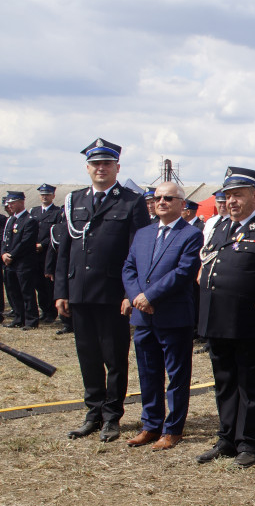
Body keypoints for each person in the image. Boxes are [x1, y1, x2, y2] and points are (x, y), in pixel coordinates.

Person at [57, 138, 150, 442]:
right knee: (87, 355)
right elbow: (64, 251)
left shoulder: (131, 201)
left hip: (113, 295)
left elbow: (137, 251)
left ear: (117, 168)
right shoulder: (74, 201)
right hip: (80, 292)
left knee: (114, 356)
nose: (101, 168)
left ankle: (112, 415)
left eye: (107, 164)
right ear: (87, 168)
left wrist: (130, 291)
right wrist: (61, 290)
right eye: (96, 164)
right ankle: (92, 412)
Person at [195, 167, 255, 468]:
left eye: (238, 195)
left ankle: (249, 442)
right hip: (219, 321)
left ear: (254, 196)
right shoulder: (220, 228)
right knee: (224, 383)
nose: (231, 201)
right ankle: (226, 438)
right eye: (228, 195)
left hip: (252, 324)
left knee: (252, 386)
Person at [122, 182, 203, 451]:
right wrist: (137, 297)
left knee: (177, 375)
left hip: (173, 316)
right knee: (148, 373)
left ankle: (173, 429)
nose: (161, 202)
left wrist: (151, 297)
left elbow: (183, 272)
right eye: (157, 198)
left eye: (169, 198)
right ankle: (150, 424)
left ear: (182, 203)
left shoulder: (191, 235)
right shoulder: (143, 234)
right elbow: (129, 268)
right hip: (144, 318)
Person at [2, 191, 41, 330]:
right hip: (10, 263)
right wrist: (3, 254)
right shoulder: (11, 220)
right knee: (13, 291)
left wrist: (11, 255)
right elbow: (5, 240)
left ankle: (31, 320)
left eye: (12, 203)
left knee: (26, 292)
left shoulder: (29, 220)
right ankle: (19, 318)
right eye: (8, 203)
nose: (9, 206)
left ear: (21, 202)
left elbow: (25, 243)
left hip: (23, 263)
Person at [30, 184, 61, 324]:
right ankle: (44, 310)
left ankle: (51, 312)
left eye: (47, 194)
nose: (44, 197)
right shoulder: (34, 211)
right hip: (34, 255)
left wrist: (43, 244)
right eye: (42, 194)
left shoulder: (57, 212)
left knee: (48, 284)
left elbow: (56, 233)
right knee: (38, 284)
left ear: (53, 196)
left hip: (48, 253)